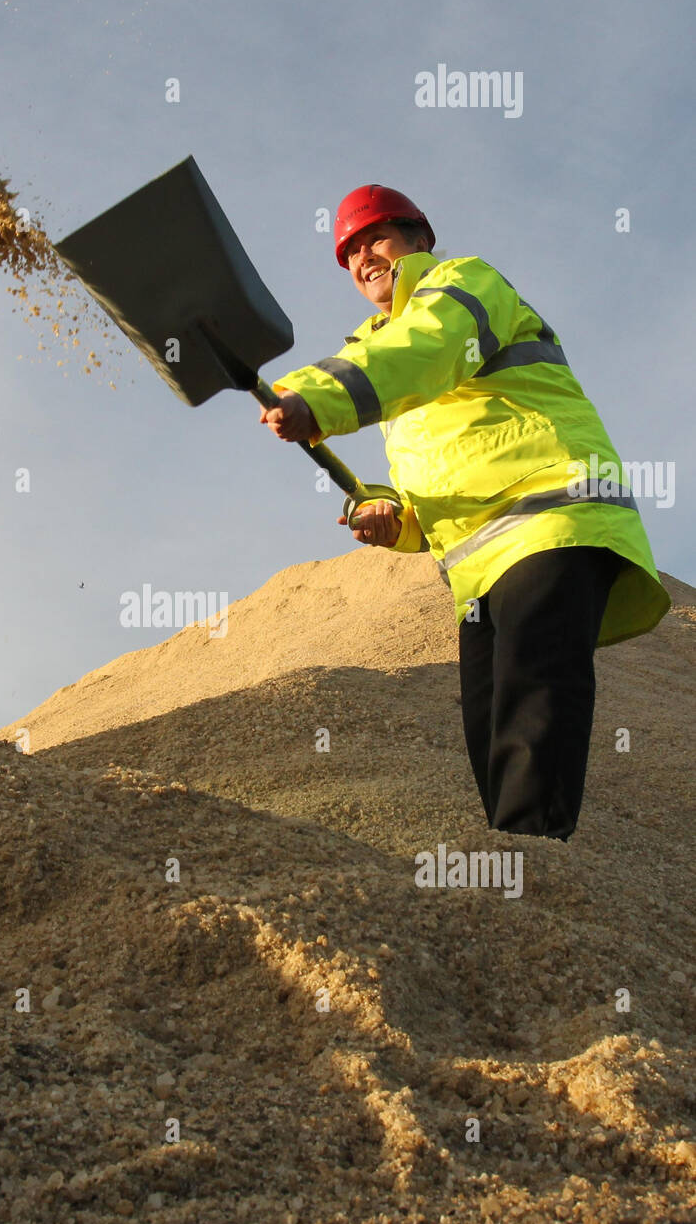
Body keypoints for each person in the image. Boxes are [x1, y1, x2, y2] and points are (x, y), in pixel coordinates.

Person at [260, 184, 669, 841]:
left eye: (376, 238)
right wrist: (396, 521)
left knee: (532, 703)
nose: (364, 256)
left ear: (419, 236)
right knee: (489, 729)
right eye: (350, 251)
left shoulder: (461, 286)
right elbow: (435, 479)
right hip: (478, 569)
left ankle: (538, 886)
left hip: (551, 518)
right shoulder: (379, 341)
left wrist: (317, 396)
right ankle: (520, 880)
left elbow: (427, 350)